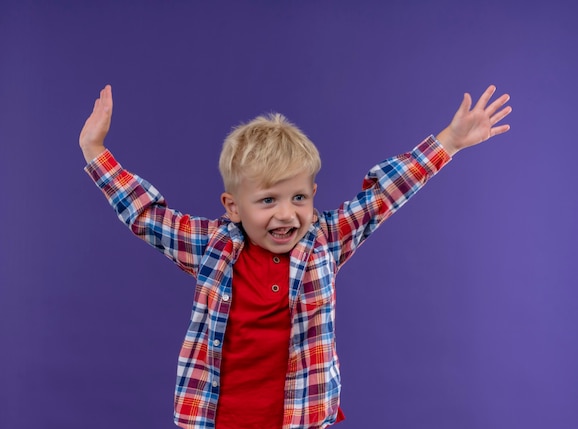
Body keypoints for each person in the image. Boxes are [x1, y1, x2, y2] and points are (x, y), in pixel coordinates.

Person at [79, 84, 511, 429]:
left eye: (299, 197)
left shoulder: (323, 240)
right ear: (233, 207)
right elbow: (148, 216)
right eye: (267, 200)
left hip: (301, 416)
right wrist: (96, 152)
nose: (287, 213)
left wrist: (449, 141)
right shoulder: (213, 247)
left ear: (314, 196)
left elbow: (382, 196)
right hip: (217, 418)